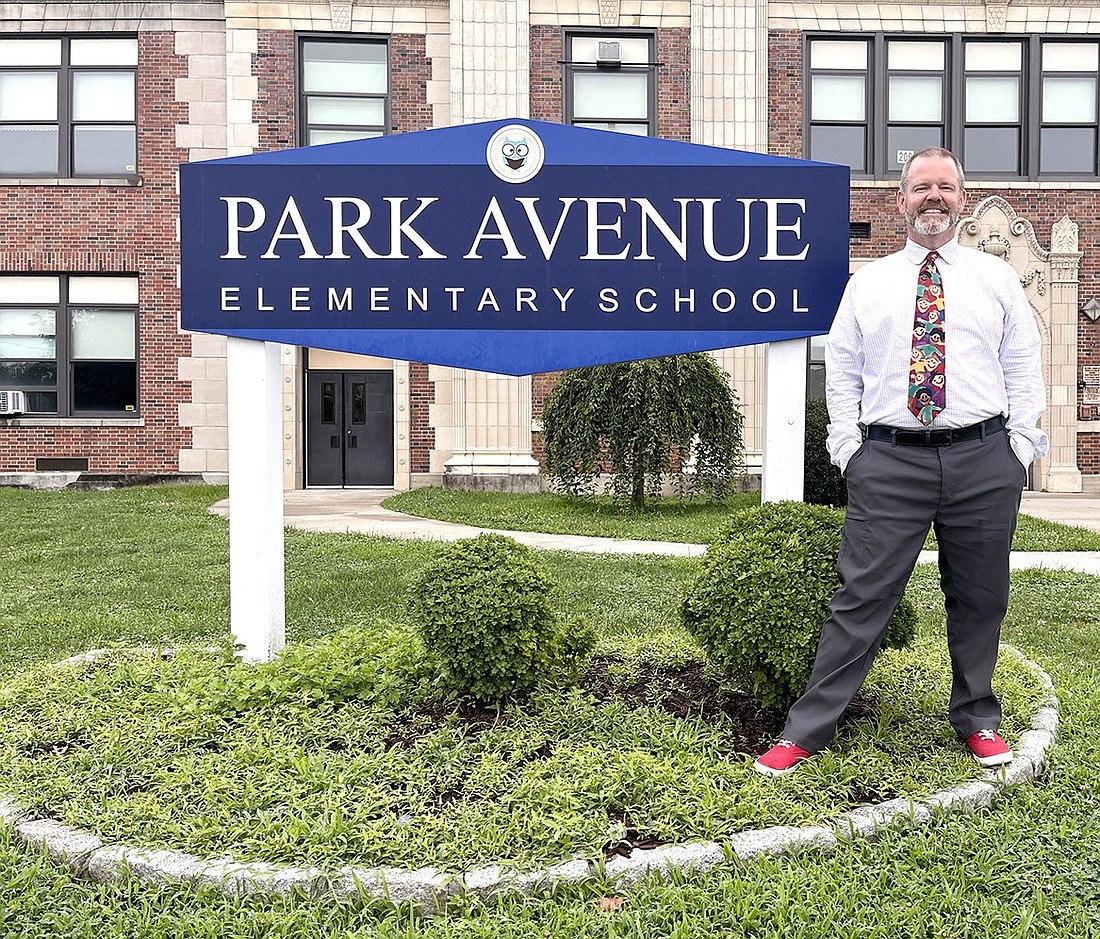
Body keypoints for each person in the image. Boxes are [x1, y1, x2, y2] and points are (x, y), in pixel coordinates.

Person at [754, 147, 1049, 777]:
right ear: (901, 201)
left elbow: (1024, 364)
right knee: (861, 598)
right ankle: (806, 731)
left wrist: (1019, 448)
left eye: (946, 187)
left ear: (962, 201)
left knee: (979, 596)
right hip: (890, 462)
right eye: (921, 188)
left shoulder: (996, 280)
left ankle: (977, 717)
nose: (933, 198)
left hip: (982, 458)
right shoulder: (869, 284)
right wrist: (848, 449)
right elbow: (843, 372)